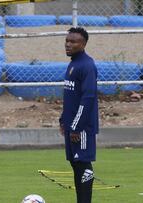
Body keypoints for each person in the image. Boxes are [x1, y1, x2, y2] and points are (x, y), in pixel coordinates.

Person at [59, 27, 98, 203]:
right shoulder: (73, 63)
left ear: (83, 44)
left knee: (83, 164)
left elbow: (88, 98)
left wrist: (76, 126)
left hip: (81, 127)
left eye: (73, 42)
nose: (68, 44)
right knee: (75, 164)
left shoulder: (87, 65)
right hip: (71, 125)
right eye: (67, 41)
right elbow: (71, 97)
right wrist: (63, 119)